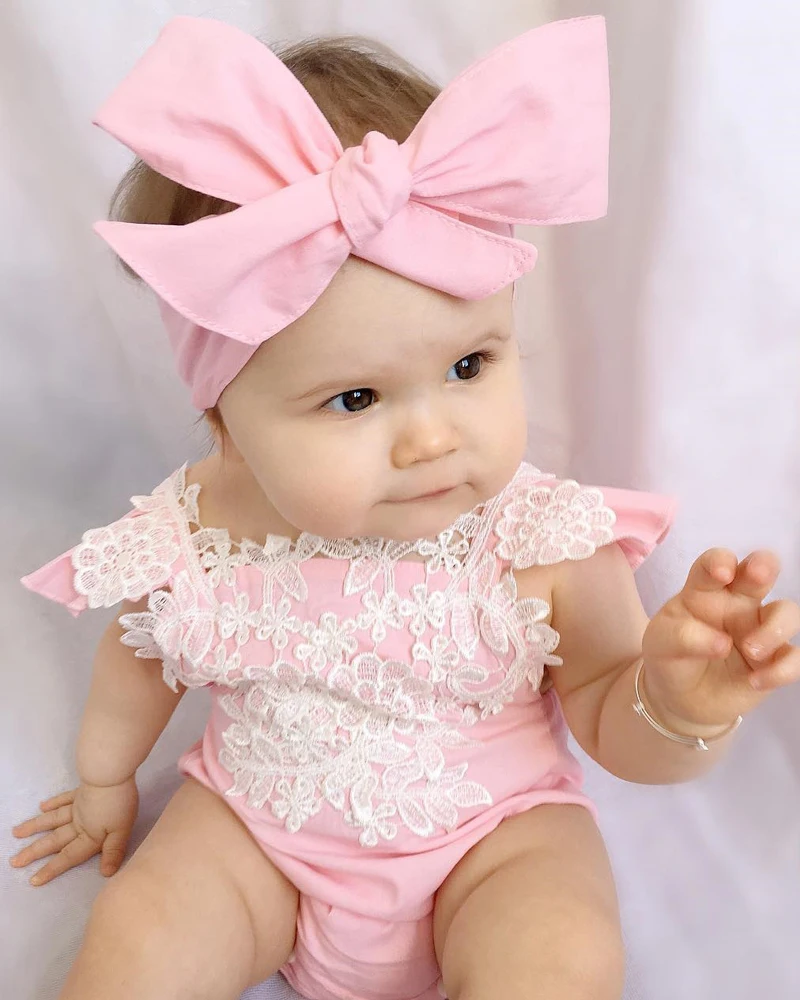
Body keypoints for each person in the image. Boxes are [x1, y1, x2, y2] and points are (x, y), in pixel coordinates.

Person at [10, 15, 800, 1000]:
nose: (431, 438)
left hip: (494, 841)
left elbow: (607, 708)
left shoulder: (539, 538)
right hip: (259, 837)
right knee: (140, 933)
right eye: (355, 398)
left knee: (563, 953)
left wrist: (674, 703)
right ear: (226, 419)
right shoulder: (201, 531)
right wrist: (104, 777)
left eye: (468, 366)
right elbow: (140, 659)